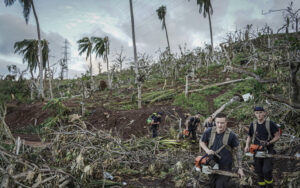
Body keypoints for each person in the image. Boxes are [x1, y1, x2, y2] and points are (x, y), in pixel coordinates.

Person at [200, 113, 244, 188]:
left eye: (222, 123)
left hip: (225, 166)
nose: (220, 125)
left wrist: (240, 168)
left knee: (220, 185)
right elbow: (201, 142)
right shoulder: (209, 131)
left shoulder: (232, 135)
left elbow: (238, 152)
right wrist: (207, 150)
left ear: (226, 123)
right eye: (218, 122)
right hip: (212, 164)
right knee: (212, 184)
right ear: (215, 122)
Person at [244, 107, 280, 188]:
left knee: (267, 170)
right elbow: (249, 136)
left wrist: (269, 143)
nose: (259, 114)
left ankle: (269, 185)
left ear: (264, 113)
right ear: (254, 114)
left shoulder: (270, 123)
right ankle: (262, 186)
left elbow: (277, 136)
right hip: (256, 150)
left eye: (260, 112)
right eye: (257, 113)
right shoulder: (253, 124)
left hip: (268, 150)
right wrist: (247, 146)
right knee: (259, 171)